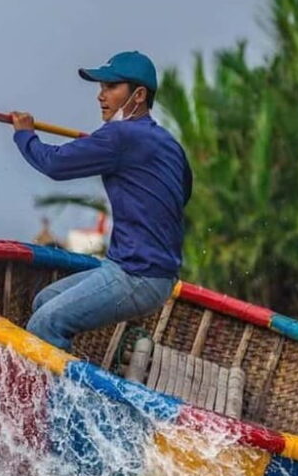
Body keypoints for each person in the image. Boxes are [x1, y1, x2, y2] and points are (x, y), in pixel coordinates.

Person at [10, 51, 192, 352]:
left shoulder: (121, 136)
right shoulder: (164, 141)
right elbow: (182, 192)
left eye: (110, 87)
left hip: (140, 276)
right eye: (100, 88)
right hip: (137, 269)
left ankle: (66, 398)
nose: (100, 96)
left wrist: (25, 135)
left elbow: (55, 165)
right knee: (45, 301)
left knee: (45, 324)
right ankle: (71, 371)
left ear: (139, 95)